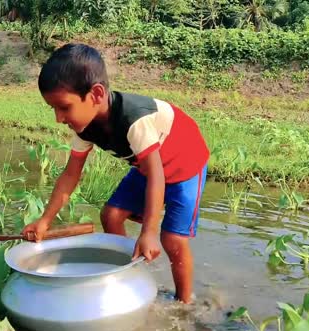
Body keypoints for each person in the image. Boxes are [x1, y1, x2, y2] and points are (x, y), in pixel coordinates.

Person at [21, 43, 209, 304]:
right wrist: (45, 220)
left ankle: (185, 303)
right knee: (111, 215)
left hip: (184, 164)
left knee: (171, 238)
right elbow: (70, 175)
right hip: (147, 165)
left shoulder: (134, 120)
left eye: (64, 107)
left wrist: (149, 232)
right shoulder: (84, 127)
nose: (58, 118)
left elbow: (157, 175)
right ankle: (133, 277)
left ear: (96, 94)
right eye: (53, 109)